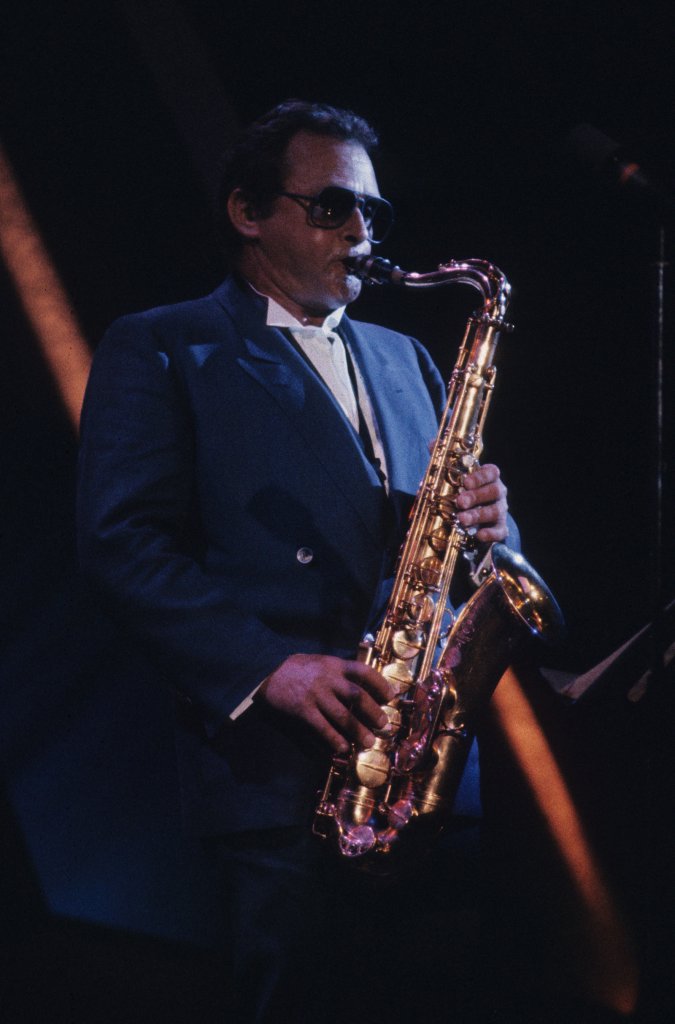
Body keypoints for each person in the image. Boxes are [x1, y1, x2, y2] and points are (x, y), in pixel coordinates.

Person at [77, 100, 514, 1022]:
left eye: (373, 215)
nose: (361, 234)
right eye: (331, 208)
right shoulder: (163, 345)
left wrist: (491, 530)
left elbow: (458, 554)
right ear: (247, 212)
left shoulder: (407, 358)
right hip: (281, 779)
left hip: (427, 775)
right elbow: (120, 545)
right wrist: (265, 668)